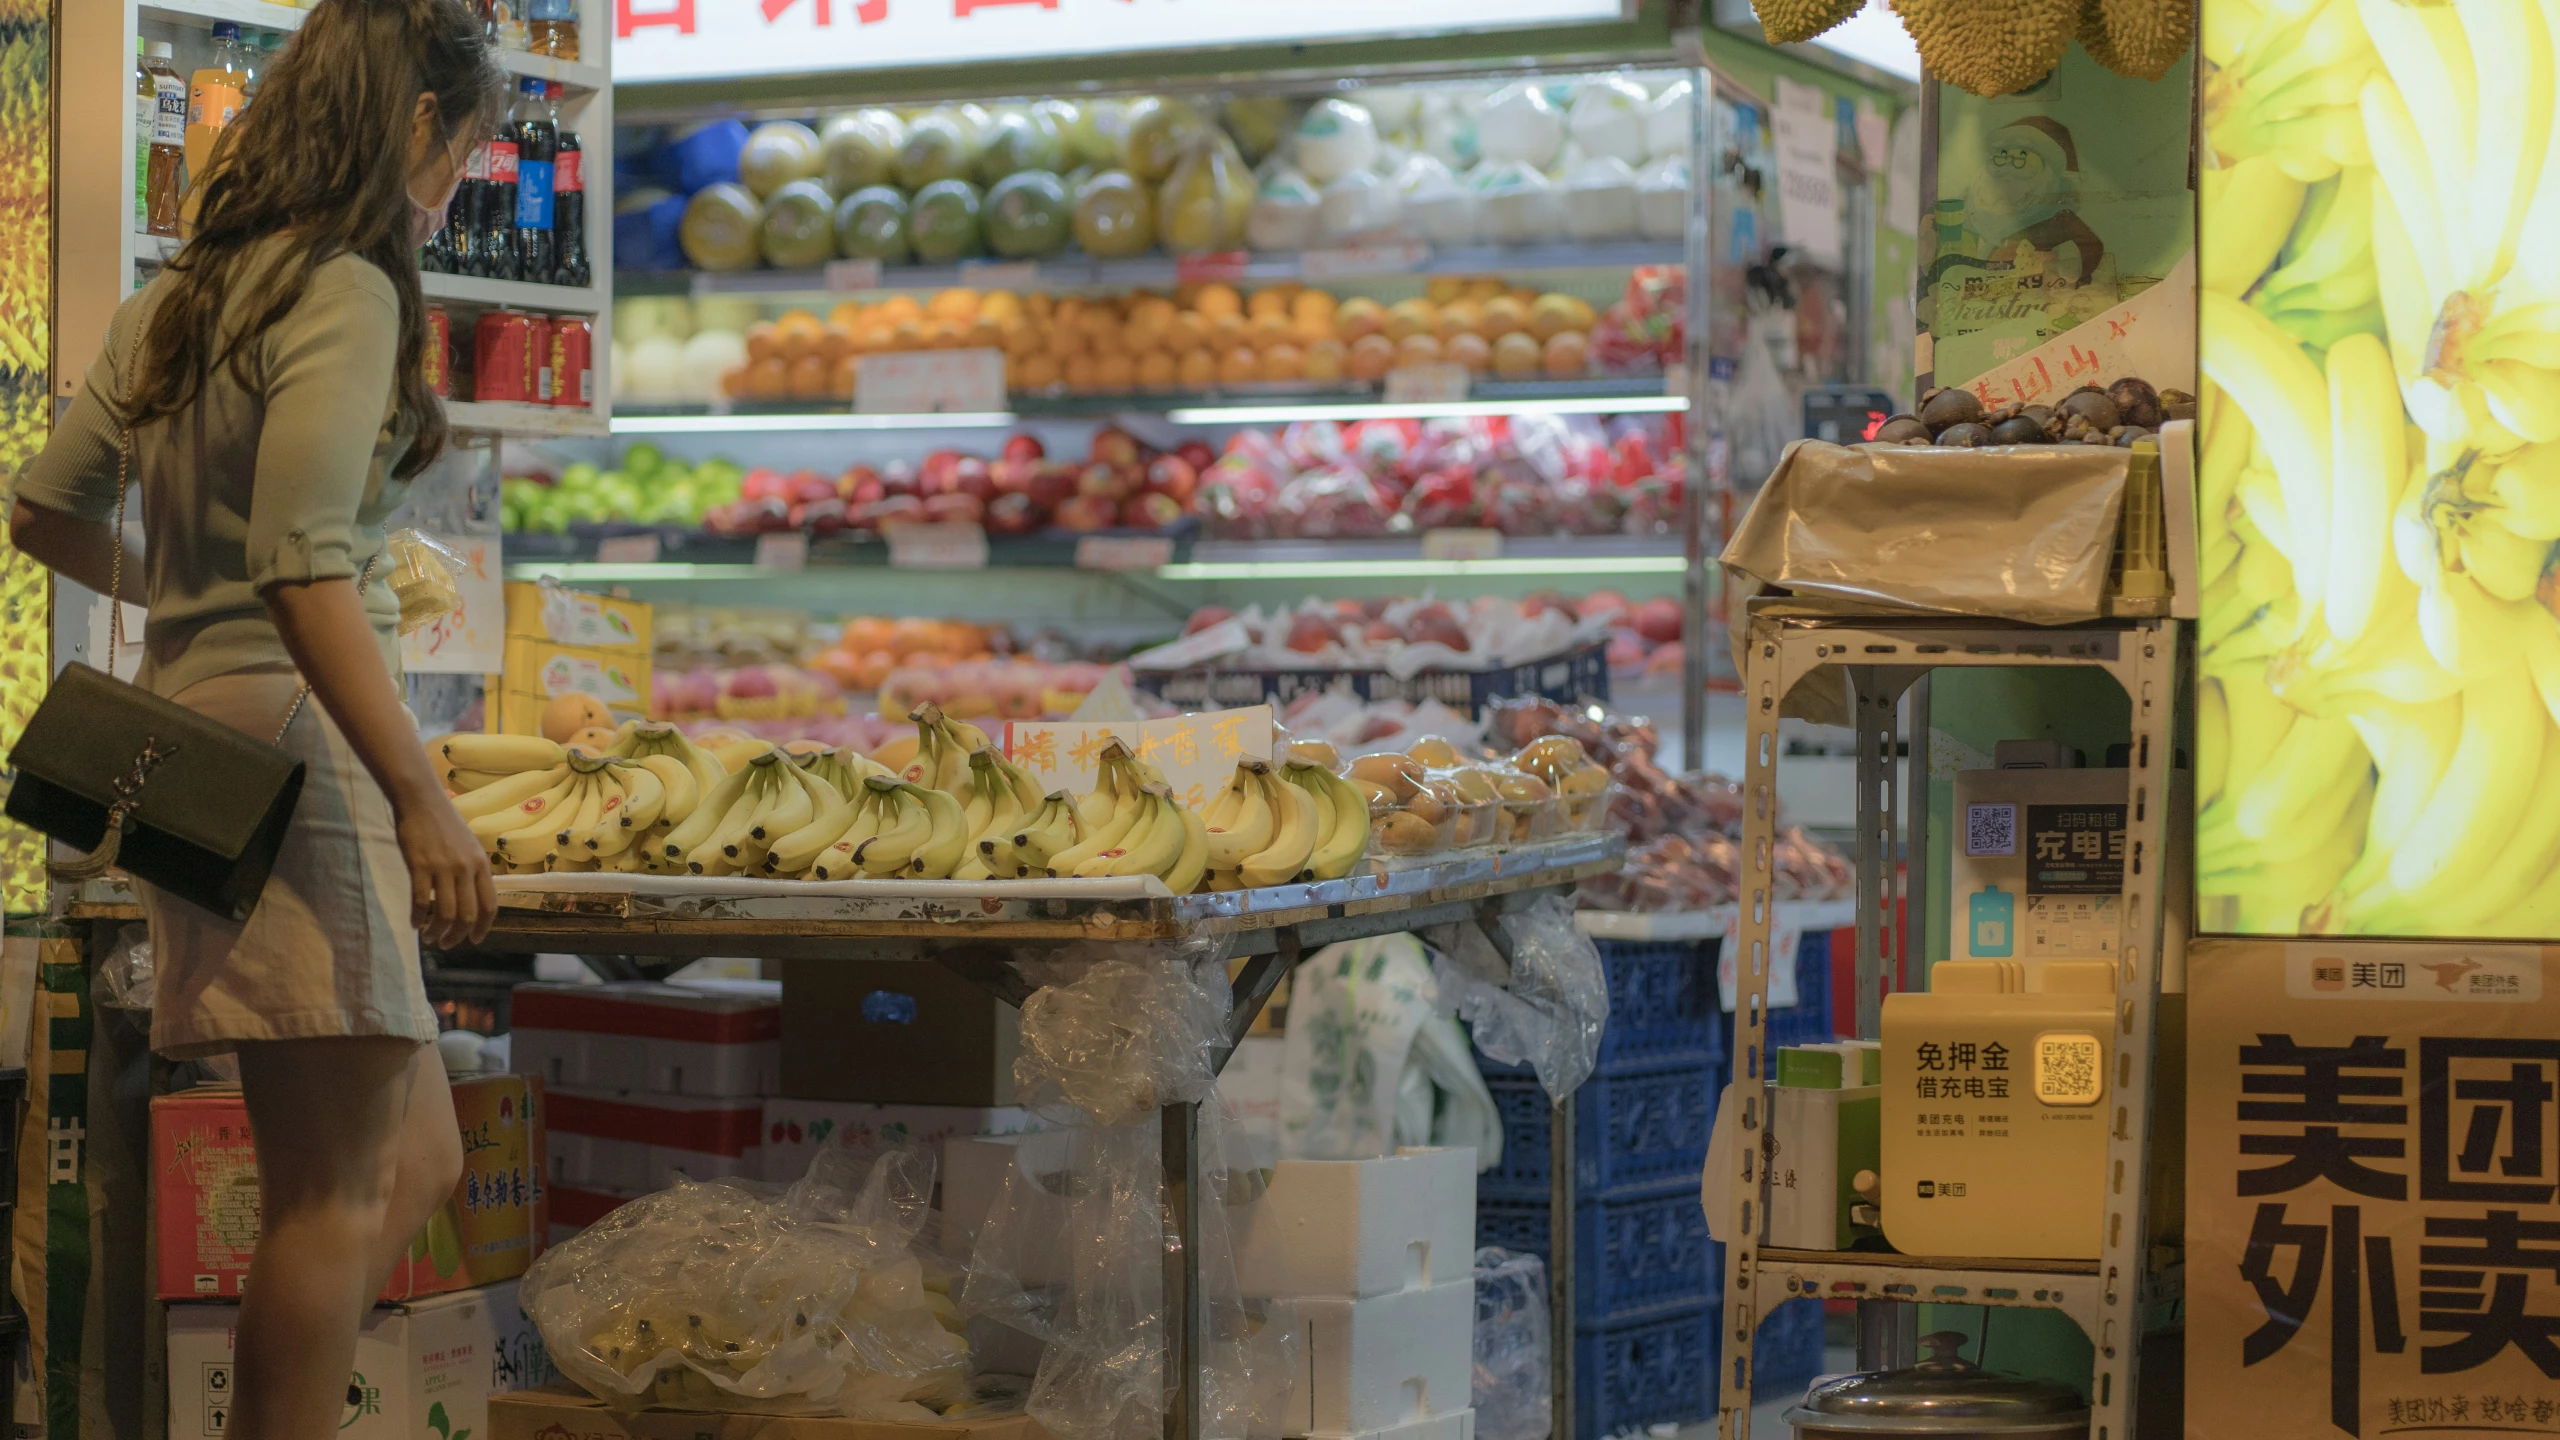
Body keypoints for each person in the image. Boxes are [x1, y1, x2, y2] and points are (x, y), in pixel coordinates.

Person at [7, 3, 506, 1435]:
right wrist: (421, 795)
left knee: (407, 1163)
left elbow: (46, 507)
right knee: (336, 1195)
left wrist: (188, 595)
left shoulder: (186, 293)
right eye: (463, 150)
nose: (460, 183)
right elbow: (302, 562)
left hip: (196, 741)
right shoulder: (343, 288)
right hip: (301, 747)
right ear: (416, 124)